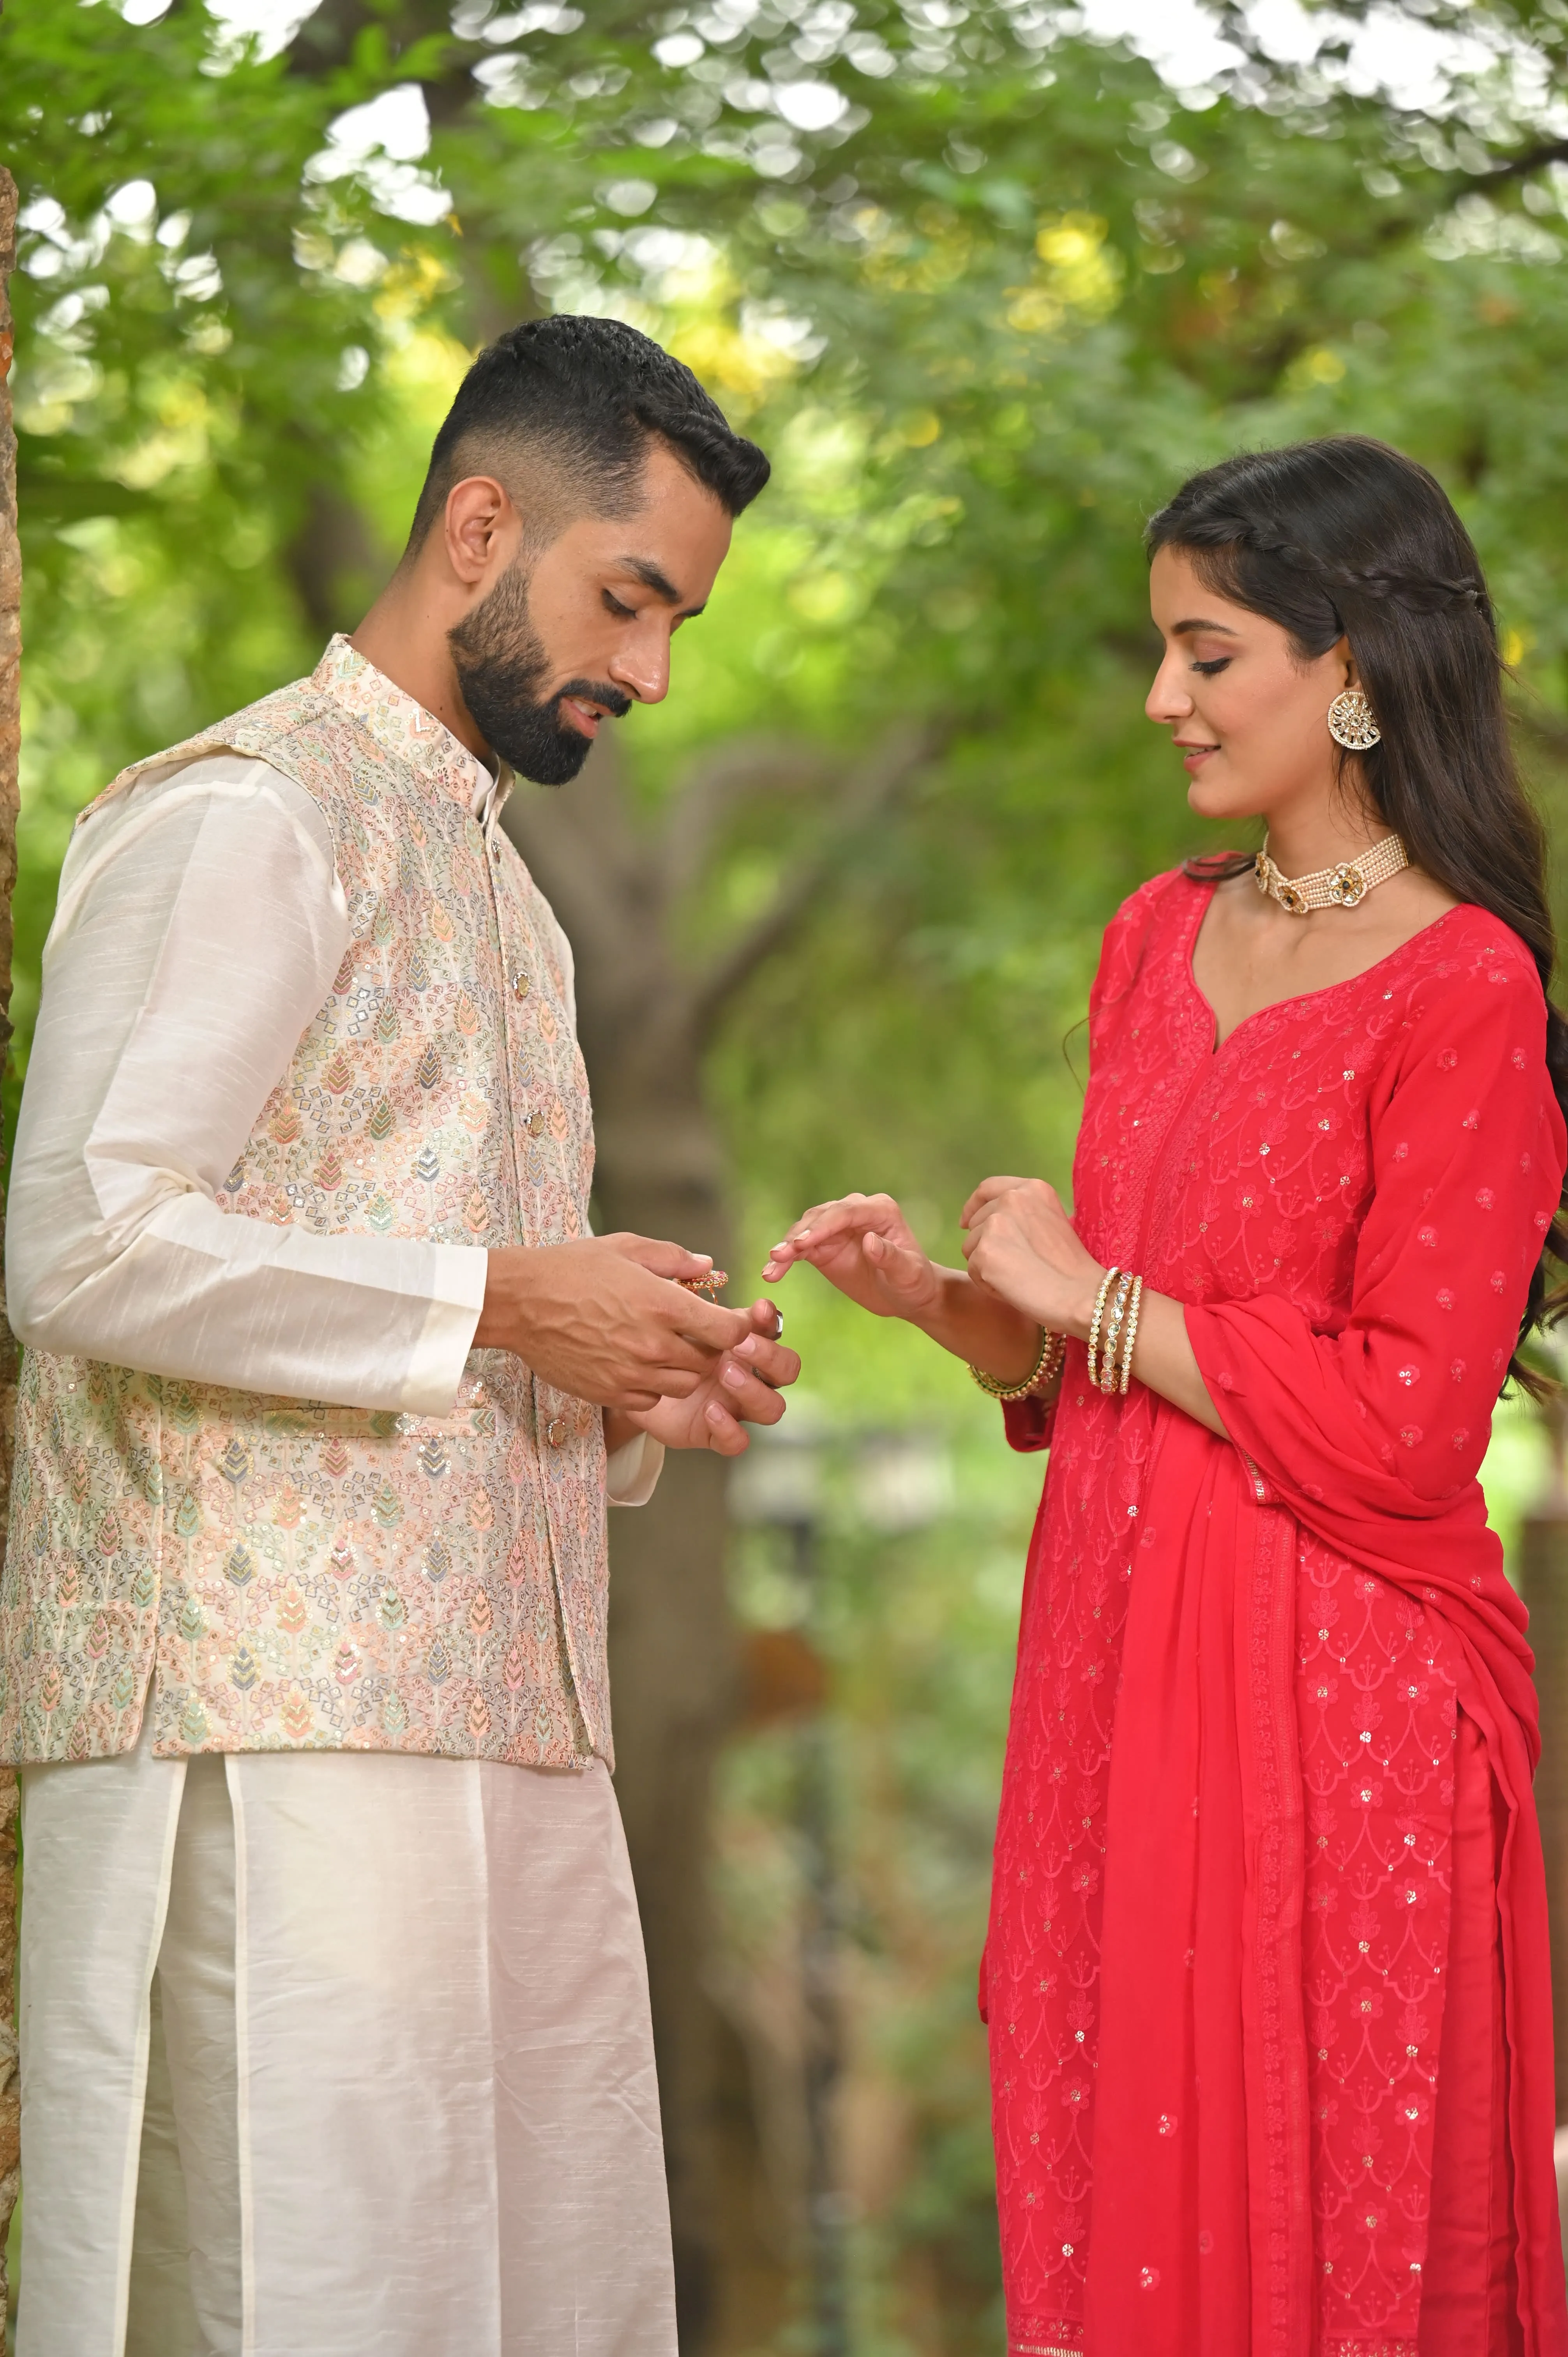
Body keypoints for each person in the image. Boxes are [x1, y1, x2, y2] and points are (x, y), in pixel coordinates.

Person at [4, 314, 800, 2357]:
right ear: (474, 526)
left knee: (528, 2304)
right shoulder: (244, 817)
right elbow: (86, 1240)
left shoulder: (505, 901)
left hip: (509, 1735)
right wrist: (507, 1294)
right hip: (267, 1738)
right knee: (302, 2299)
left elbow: (441, 1282)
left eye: (676, 620)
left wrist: (623, 1359)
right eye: (630, 597)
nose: (646, 667)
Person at [765, 436, 1568, 2355]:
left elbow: (1400, 1424)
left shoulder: (1467, 991)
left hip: (1334, 1699)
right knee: (1111, 2192)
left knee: (1326, 2232)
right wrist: (956, 1309)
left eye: (1208, 654)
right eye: (1163, 651)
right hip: (1115, 1666)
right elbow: (1093, 1364)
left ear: (1350, 664)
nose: (1162, 699)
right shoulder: (1150, 936)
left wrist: (1094, 1298)